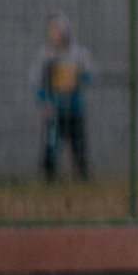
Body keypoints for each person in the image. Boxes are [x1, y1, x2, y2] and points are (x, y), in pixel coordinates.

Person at [33, 14, 94, 183]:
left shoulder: (78, 53)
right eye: (50, 31)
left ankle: (83, 179)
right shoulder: (44, 56)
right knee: (51, 146)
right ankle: (49, 180)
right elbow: (37, 82)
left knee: (79, 148)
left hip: (74, 109)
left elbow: (89, 76)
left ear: (64, 32)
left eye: (56, 30)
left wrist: (78, 79)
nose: (52, 34)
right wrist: (43, 102)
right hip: (54, 110)